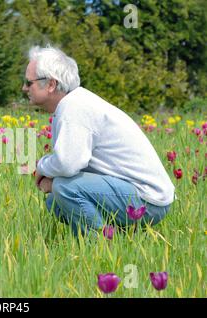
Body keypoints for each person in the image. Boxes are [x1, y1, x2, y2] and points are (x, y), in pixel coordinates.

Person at [23, 45, 174, 238]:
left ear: (51, 84)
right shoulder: (74, 103)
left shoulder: (74, 108)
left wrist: (42, 167)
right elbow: (74, 165)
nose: (24, 88)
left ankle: (100, 246)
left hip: (148, 201)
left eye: (29, 82)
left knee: (64, 188)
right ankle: (122, 238)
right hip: (139, 194)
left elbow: (67, 164)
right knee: (56, 202)